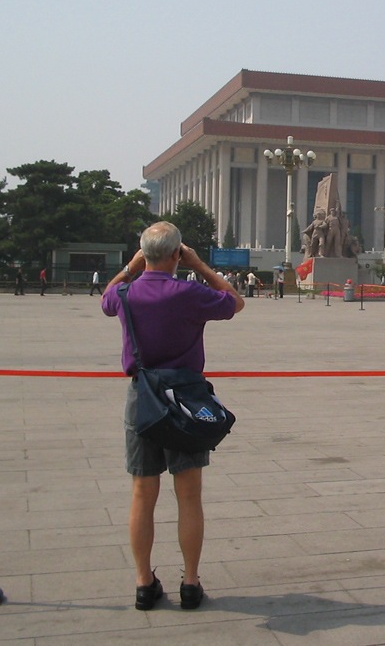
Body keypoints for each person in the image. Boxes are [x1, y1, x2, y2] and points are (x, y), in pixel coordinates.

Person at [101, 221, 244, 611]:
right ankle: (191, 582)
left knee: (142, 494)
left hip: (143, 398)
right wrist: (199, 266)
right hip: (185, 401)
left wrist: (132, 266)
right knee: (189, 495)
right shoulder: (188, 292)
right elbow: (235, 302)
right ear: (176, 254)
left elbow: (105, 297)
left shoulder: (127, 294)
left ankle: (144, 583)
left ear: (144, 253)